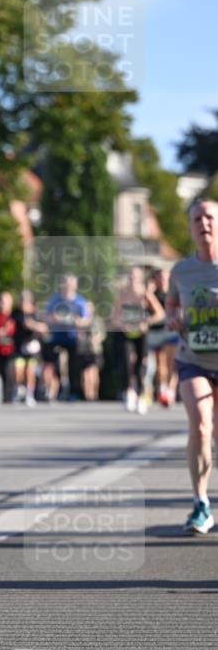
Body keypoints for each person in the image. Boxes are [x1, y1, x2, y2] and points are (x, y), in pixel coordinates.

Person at [166, 196, 218, 535]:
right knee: (200, 425)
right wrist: (173, 317)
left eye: (210, 217)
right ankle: (200, 503)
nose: (204, 224)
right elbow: (171, 303)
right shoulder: (181, 271)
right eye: (197, 219)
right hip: (193, 358)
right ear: (189, 228)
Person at [111, 266, 164, 414]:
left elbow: (160, 314)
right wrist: (122, 325)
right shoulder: (122, 294)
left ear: (140, 278)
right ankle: (129, 393)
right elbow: (114, 316)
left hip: (141, 334)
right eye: (130, 276)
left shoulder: (145, 294)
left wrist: (145, 323)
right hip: (125, 333)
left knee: (142, 363)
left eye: (135, 276)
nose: (132, 279)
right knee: (126, 362)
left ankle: (141, 395)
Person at [43, 274, 93, 400]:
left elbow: (86, 320)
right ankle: (58, 390)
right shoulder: (55, 299)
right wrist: (54, 319)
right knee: (55, 365)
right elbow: (46, 316)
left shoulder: (80, 301)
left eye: (71, 284)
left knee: (74, 366)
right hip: (57, 338)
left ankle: (73, 392)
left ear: (75, 285)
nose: (68, 286)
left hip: (73, 338)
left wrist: (77, 321)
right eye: (66, 283)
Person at [144, 269, 178, 407]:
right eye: (159, 277)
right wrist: (149, 292)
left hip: (170, 331)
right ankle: (162, 389)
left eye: (165, 277)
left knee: (171, 363)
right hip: (156, 332)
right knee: (159, 365)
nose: (162, 280)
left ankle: (171, 391)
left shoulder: (174, 293)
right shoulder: (152, 294)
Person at [11, 290, 46, 406]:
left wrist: (34, 325)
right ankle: (18, 390)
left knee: (30, 371)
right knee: (18, 370)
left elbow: (43, 328)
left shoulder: (36, 313)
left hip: (32, 348)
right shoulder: (16, 313)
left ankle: (29, 394)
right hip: (19, 348)